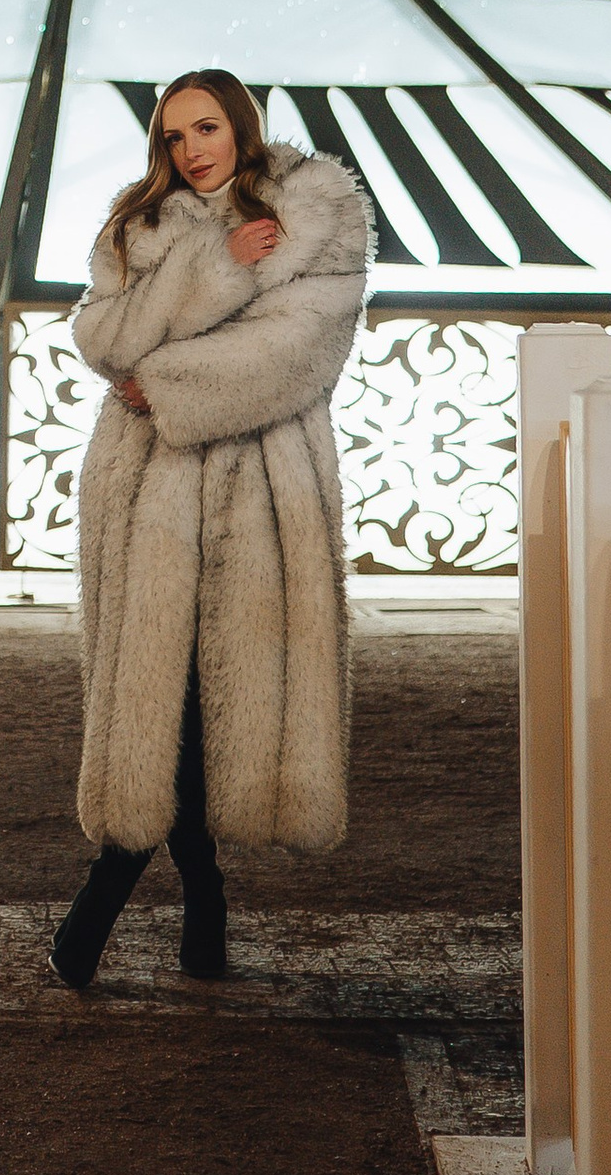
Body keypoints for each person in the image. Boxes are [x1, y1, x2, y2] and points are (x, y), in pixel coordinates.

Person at [48, 68, 371, 991]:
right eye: (174, 135)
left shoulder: (317, 209)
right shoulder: (138, 223)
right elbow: (102, 339)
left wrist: (169, 383)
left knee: (202, 697)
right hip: (144, 494)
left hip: (257, 495)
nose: (191, 151)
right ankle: (193, 896)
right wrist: (215, 266)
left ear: (242, 126)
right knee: (163, 697)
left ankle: (133, 894)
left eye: (206, 129)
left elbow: (296, 352)